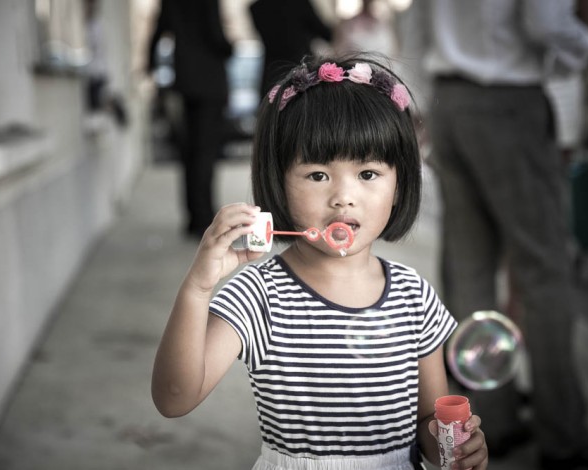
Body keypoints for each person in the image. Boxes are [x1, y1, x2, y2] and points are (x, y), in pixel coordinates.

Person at [151, 55, 488, 470]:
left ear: (400, 185)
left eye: (368, 174)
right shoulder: (260, 295)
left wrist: (454, 449)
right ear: (279, 181)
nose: (343, 197)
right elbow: (173, 398)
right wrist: (198, 288)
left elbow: (426, 425)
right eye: (317, 175)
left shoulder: (412, 295)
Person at [400, 1, 588, 469]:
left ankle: (490, 423)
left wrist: (424, 107)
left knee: (468, 268)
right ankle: (564, 438)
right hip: (508, 99)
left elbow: (414, 27)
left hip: (450, 102)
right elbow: (545, 21)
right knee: (545, 272)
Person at [146, 0, 233, 237]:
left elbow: (157, 33)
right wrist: (229, 47)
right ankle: (205, 217)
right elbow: (216, 35)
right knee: (205, 152)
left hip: (186, 83)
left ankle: (193, 217)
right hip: (210, 83)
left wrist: (149, 65)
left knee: (190, 152)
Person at [249, 0, 332, 96]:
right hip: (300, 66)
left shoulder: (257, 7)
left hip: (272, 71)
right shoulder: (299, 3)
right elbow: (324, 33)